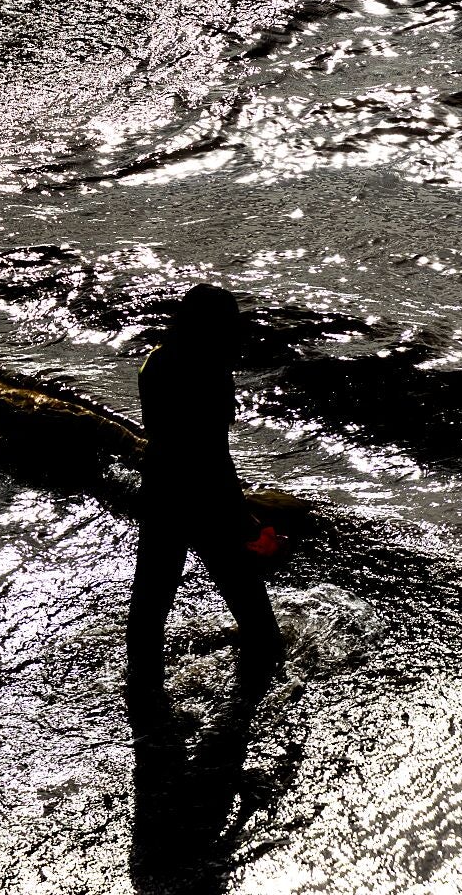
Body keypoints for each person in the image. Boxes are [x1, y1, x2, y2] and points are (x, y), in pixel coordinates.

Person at [127, 284, 284, 687]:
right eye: (229, 324)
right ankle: (254, 694)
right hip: (204, 501)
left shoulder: (156, 364)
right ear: (213, 328)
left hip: (161, 492)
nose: (236, 333)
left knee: (150, 607)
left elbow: (170, 442)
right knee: (256, 619)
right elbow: (211, 458)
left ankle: (143, 690)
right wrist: (247, 522)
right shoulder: (210, 373)